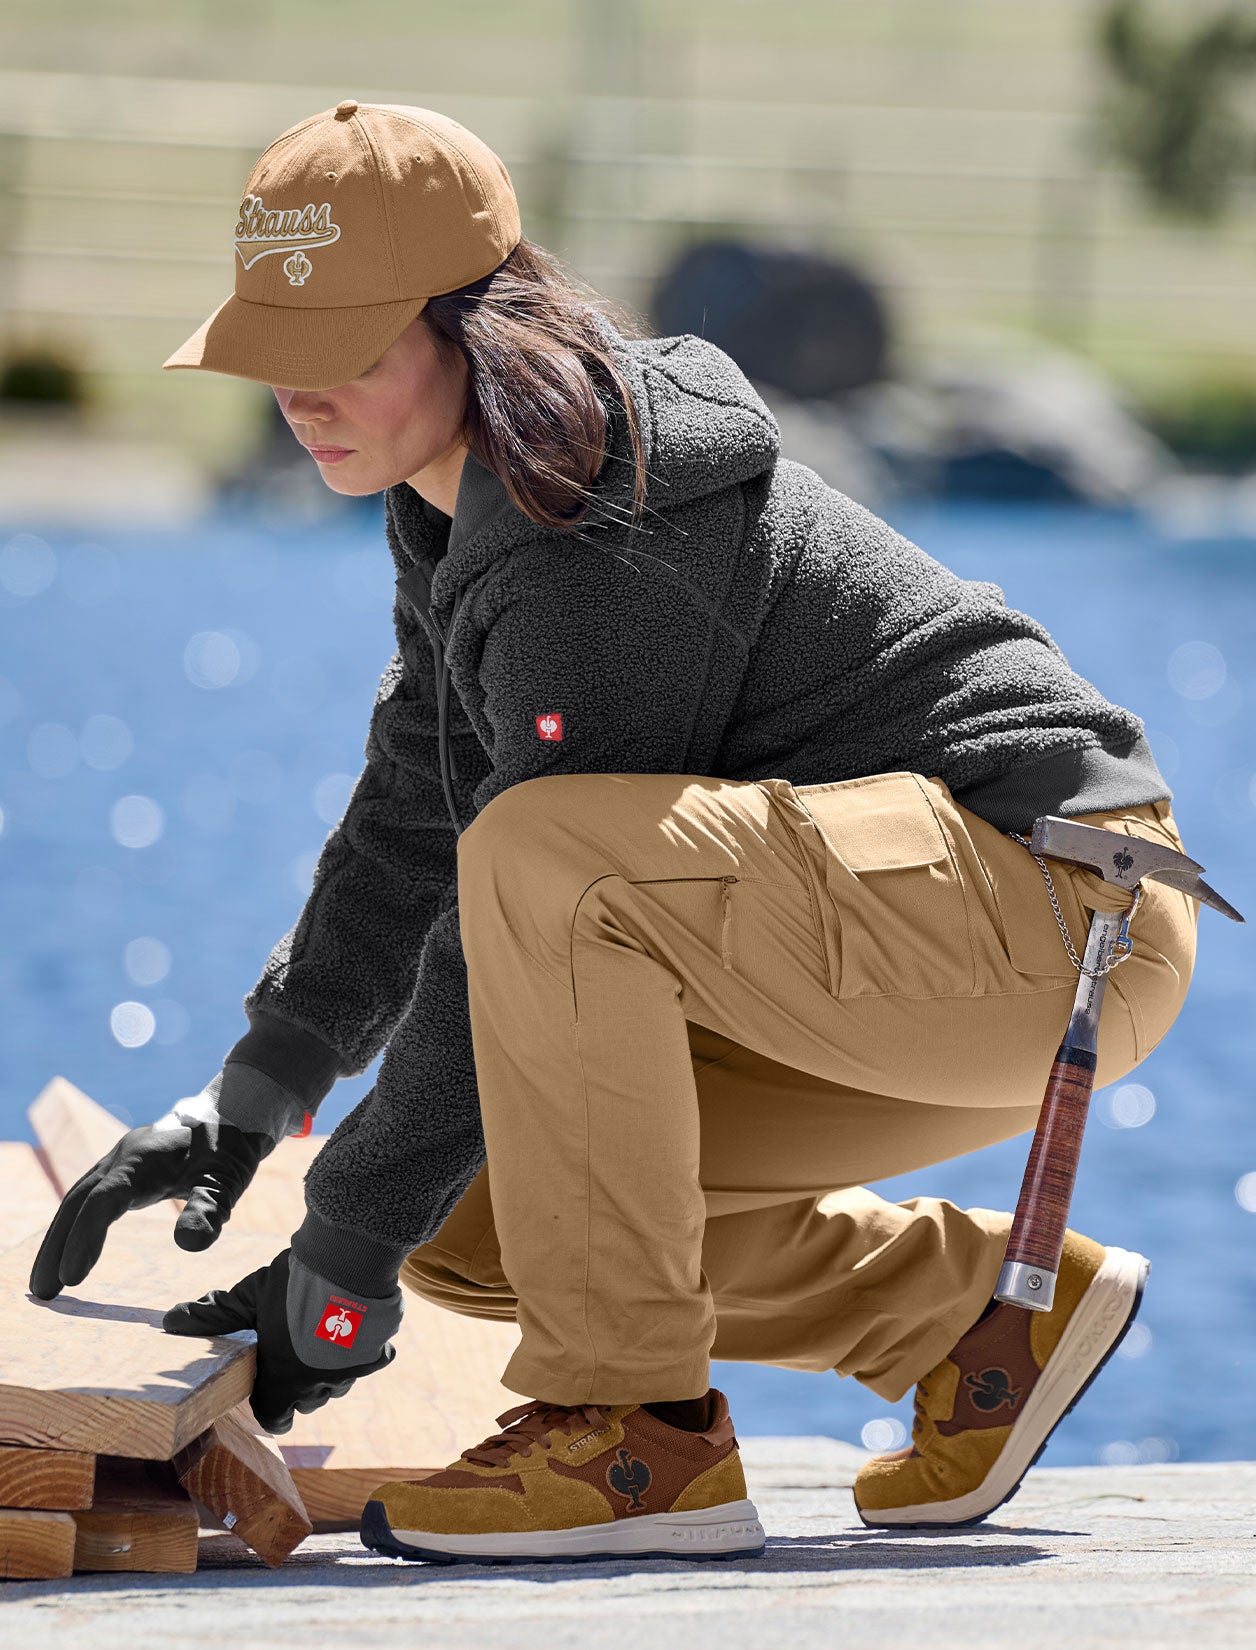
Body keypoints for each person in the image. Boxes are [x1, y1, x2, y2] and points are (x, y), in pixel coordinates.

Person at [29, 101, 1197, 1566]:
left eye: (344, 350)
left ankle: (634, 1434)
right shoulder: (457, 498)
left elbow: (525, 889)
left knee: (540, 860)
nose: (299, 395)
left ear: (477, 327)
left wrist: (331, 1252)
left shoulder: (596, 511)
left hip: (1051, 912)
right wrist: (256, 1092)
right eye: (275, 351)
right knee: (469, 1218)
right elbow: (413, 798)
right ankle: (960, 1316)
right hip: (914, 933)